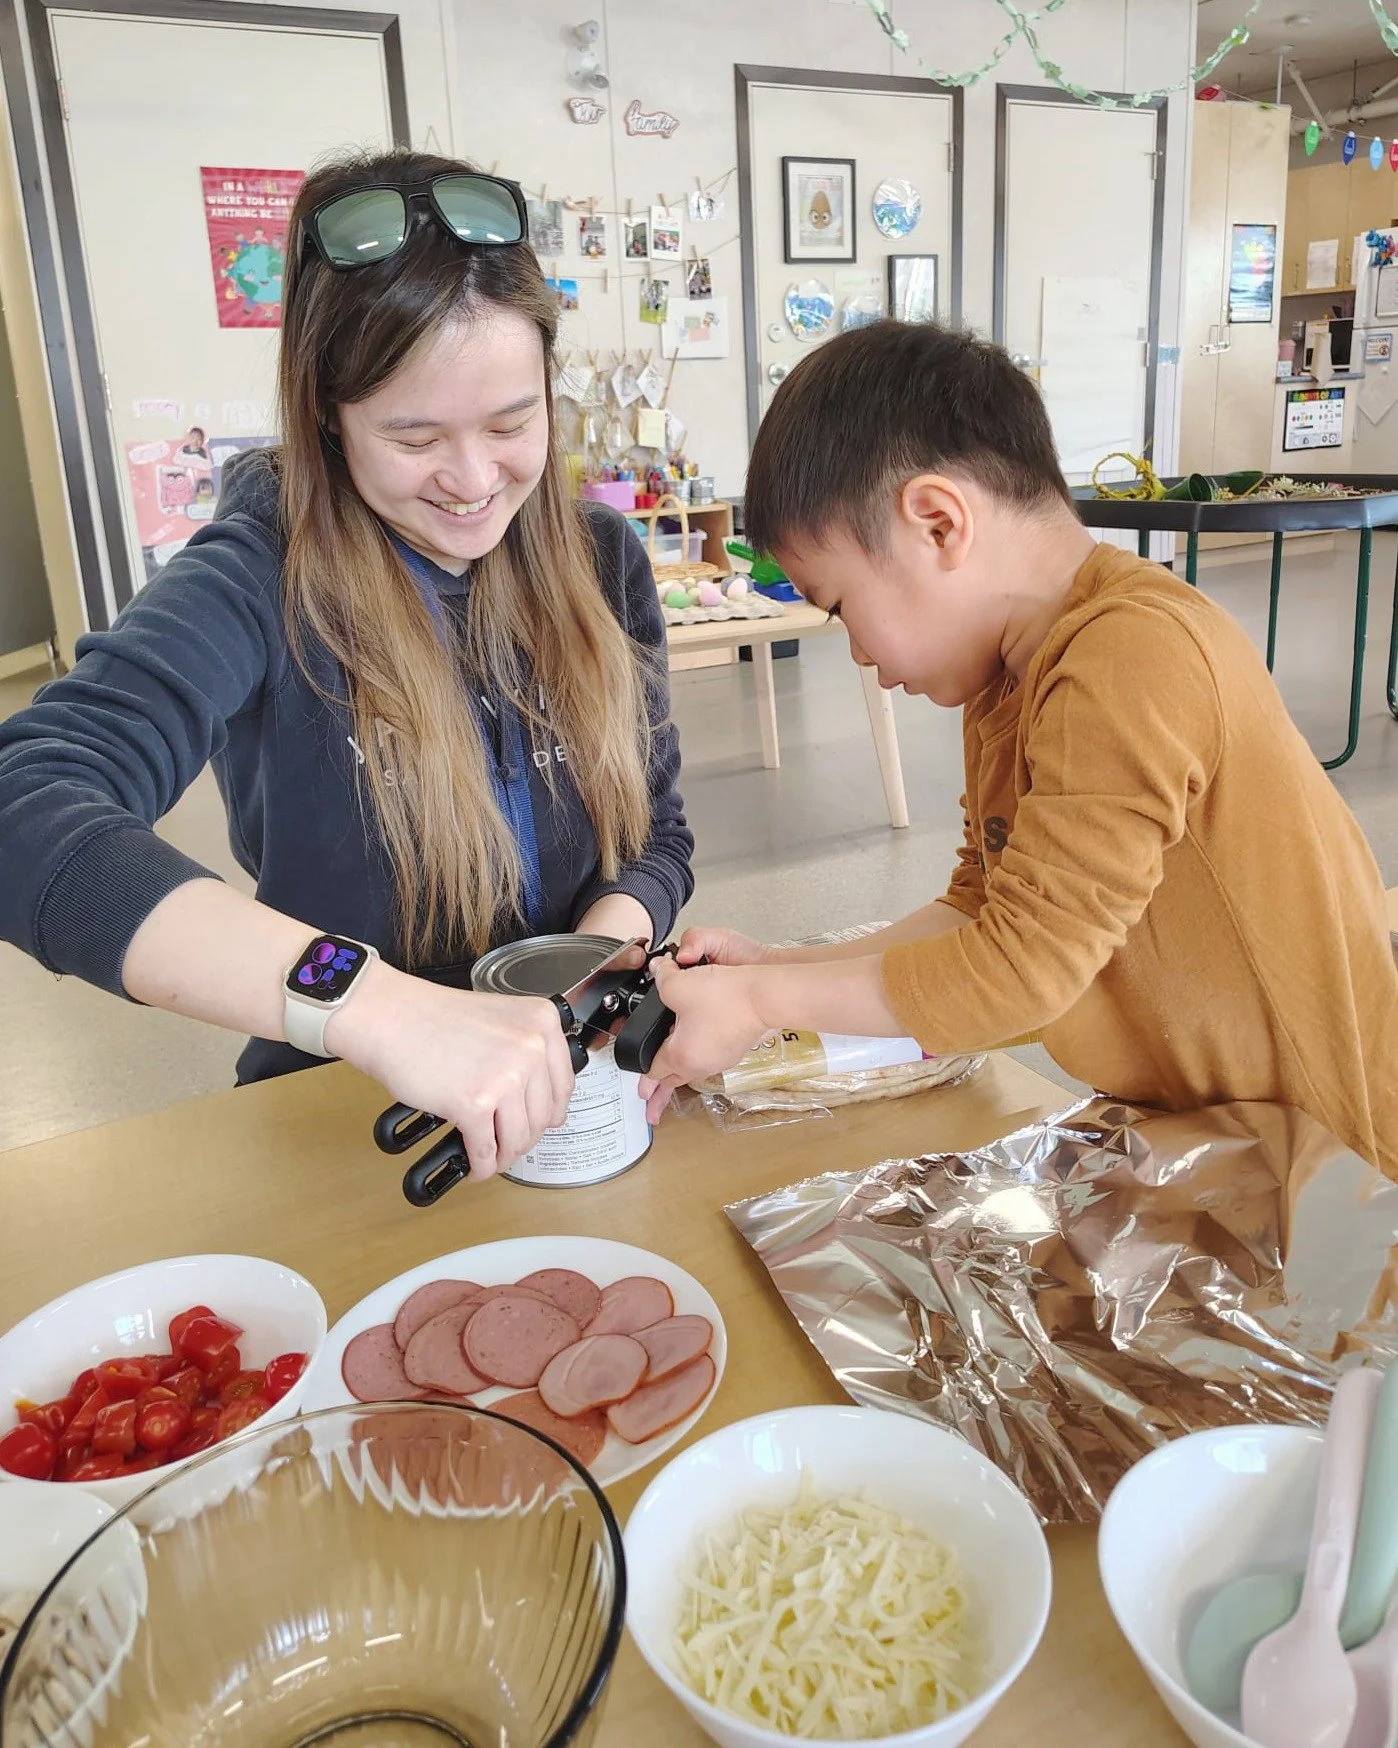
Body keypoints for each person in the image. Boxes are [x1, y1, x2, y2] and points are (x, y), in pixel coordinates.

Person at [0, 149, 693, 1179]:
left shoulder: (600, 560)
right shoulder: (257, 579)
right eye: (414, 438)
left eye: (512, 423)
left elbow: (658, 836)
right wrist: (376, 1007)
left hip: (575, 1090)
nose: (473, 479)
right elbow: (24, 803)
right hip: (349, 1118)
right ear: (329, 413)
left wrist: (592, 962)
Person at [639, 321, 1398, 1178]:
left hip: (1328, 1157)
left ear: (938, 523)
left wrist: (757, 1000)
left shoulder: (1132, 653)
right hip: (1201, 1141)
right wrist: (778, 967)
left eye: (843, 606)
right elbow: (982, 907)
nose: (857, 651)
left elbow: (1020, 969)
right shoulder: (1005, 677)